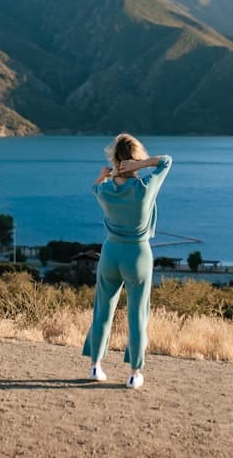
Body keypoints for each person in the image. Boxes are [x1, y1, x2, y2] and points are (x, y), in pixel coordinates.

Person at [82, 133, 173, 389]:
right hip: (138, 255)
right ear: (135, 158)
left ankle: (95, 366)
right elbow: (166, 161)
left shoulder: (105, 191)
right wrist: (141, 166)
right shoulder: (144, 189)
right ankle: (134, 373)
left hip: (110, 253)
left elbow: (94, 187)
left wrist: (105, 175)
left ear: (114, 159)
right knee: (137, 314)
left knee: (102, 311)